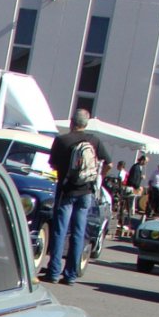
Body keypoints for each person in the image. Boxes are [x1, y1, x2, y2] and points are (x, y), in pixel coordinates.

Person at [43, 108, 110, 285]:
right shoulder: (94, 141)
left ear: (72, 123)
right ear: (86, 124)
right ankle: (71, 275)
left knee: (60, 231)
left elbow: (53, 164)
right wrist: (97, 177)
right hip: (86, 192)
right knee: (79, 233)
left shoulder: (62, 140)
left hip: (66, 191)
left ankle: (54, 272)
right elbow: (108, 162)